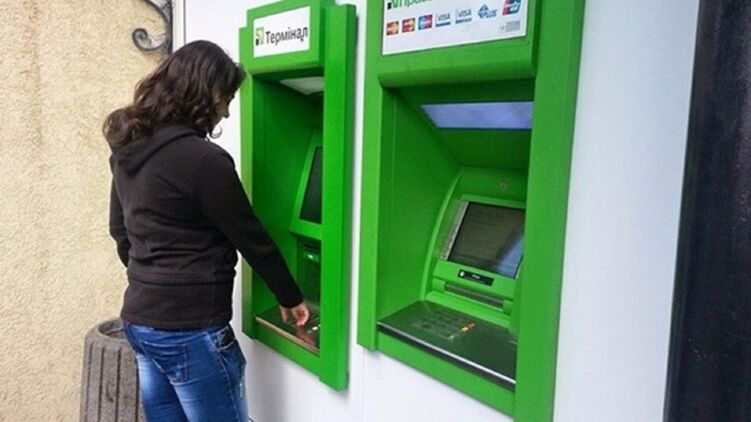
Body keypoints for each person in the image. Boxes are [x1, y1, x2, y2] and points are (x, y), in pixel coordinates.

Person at [105, 40, 309, 421]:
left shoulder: (129, 148)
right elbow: (252, 239)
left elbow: (120, 230)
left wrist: (153, 280)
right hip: (190, 330)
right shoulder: (205, 162)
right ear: (206, 92)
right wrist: (291, 296)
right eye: (226, 99)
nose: (227, 112)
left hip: (141, 321)